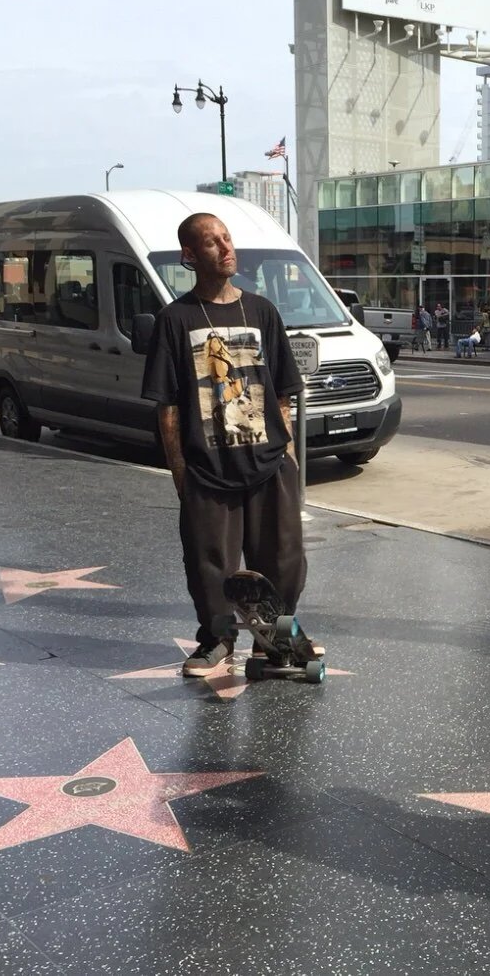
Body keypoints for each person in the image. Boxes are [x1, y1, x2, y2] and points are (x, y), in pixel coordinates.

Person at [141, 212, 307, 677]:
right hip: (208, 468)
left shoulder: (261, 311)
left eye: (227, 237)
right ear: (189, 256)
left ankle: (271, 641)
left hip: (268, 461)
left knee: (283, 558)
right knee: (207, 562)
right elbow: (168, 406)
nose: (225, 247)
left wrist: (288, 454)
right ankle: (215, 641)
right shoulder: (174, 320)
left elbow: (280, 393)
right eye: (211, 242)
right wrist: (181, 473)